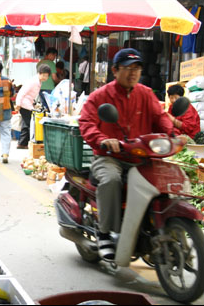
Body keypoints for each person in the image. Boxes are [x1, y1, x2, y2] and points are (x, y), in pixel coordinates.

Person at [79, 48, 174, 261]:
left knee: (165, 180)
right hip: (110, 157)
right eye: (127, 68)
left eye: (137, 68)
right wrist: (103, 139)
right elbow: (86, 122)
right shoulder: (100, 96)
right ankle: (105, 233)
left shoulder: (146, 94)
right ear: (115, 70)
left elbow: (161, 117)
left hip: (142, 158)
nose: (133, 73)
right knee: (111, 180)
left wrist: (173, 134)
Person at [16, 64, 51, 149]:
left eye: (46, 76)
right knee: (30, 124)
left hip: (28, 104)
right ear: (39, 73)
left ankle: (22, 143)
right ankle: (31, 143)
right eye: (43, 75)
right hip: (24, 105)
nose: (45, 78)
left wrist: (34, 104)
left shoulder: (38, 81)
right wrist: (18, 104)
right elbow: (22, 92)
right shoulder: (33, 81)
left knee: (26, 124)